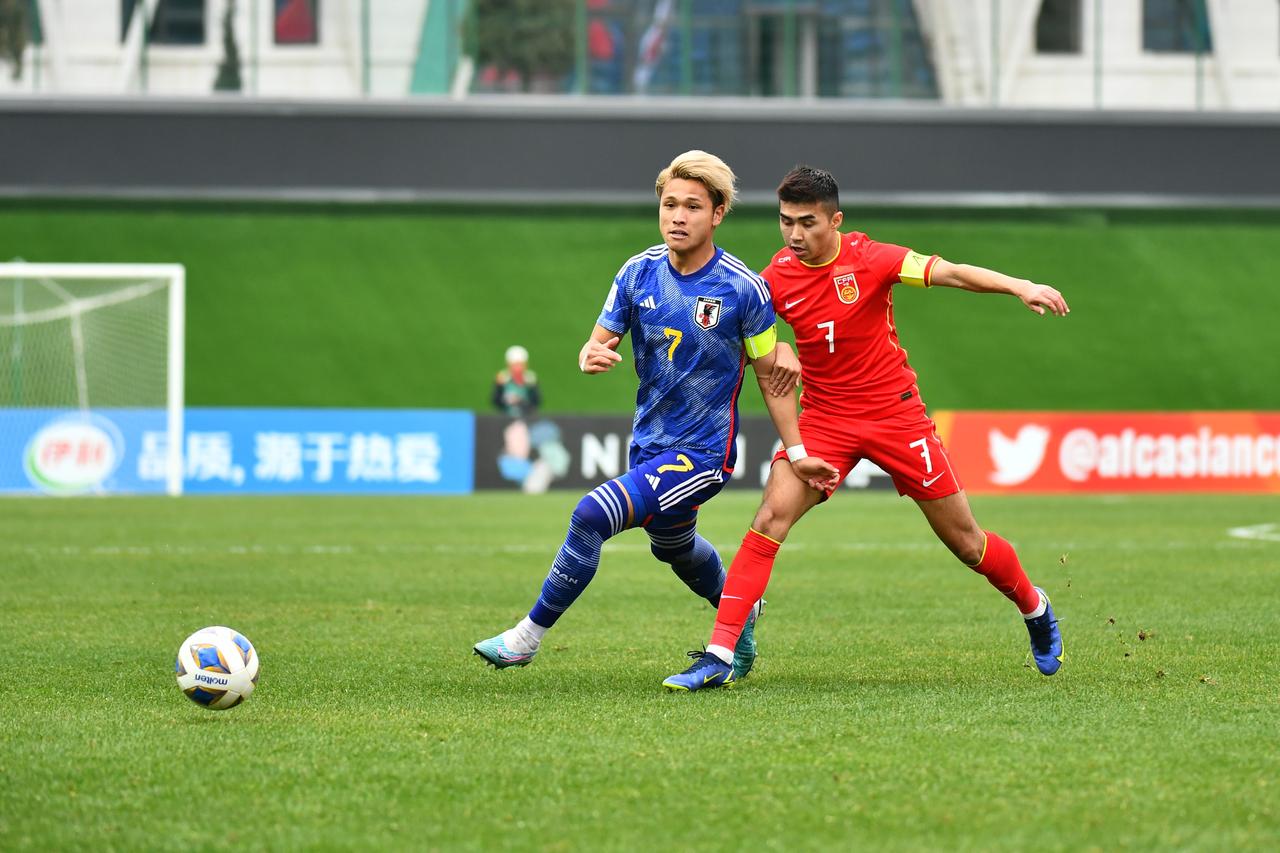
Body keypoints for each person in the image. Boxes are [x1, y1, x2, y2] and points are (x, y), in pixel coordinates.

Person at [662, 165, 1068, 691]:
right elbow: (756, 337)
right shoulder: (776, 276)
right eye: (786, 222)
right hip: (827, 419)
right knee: (769, 517)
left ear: (836, 220)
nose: (795, 235)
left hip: (896, 415)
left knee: (967, 543)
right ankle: (719, 654)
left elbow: (953, 273)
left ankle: (1034, 605)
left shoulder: (872, 259)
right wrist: (784, 348)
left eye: (807, 223)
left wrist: (1020, 285)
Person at [473, 151, 837, 681]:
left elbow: (769, 376)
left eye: (693, 205)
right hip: (649, 443)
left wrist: (798, 452)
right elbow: (599, 341)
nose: (678, 216)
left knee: (590, 515)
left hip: (704, 453)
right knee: (672, 545)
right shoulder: (636, 272)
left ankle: (525, 639)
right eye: (669, 204)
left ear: (717, 214)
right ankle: (740, 612)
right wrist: (589, 354)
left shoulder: (742, 289)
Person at [492, 344, 541, 420]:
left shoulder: (530, 380)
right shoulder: (502, 379)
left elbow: (536, 402)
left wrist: (521, 401)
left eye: (520, 365)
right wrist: (499, 387)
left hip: (526, 418)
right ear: (509, 365)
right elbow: (496, 401)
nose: (518, 368)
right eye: (515, 365)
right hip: (506, 418)